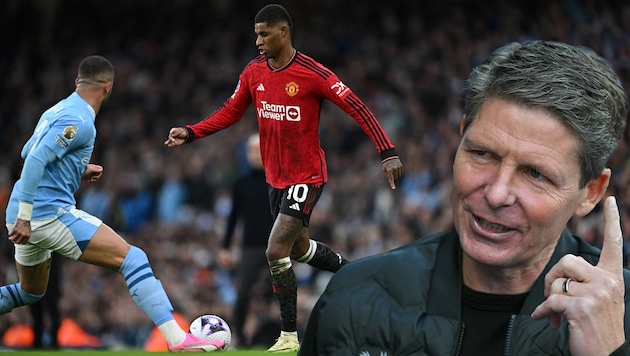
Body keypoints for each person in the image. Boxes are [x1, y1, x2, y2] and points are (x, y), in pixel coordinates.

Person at [300, 40, 630, 356]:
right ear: (460, 137)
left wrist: (612, 351)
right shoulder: (354, 298)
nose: (497, 193)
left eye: (535, 174)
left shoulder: (621, 321)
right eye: (482, 153)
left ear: (591, 192)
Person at [164, 4, 403, 352]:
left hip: (307, 176)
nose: (258, 40)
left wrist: (387, 151)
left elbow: (357, 106)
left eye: (264, 33)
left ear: (283, 32)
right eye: (256, 34)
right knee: (300, 249)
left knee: (275, 250)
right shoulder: (253, 73)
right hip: (276, 179)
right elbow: (231, 111)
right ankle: (359, 275)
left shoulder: (312, 73)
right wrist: (192, 131)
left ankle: (289, 337)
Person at [2, 55, 224, 352]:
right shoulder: (80, 120)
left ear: (76, 82)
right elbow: (35, 159)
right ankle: (177, 340)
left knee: (30, 292)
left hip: (19, 211)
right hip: (45, 214)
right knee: (134, 259)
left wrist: (78, 168)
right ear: (108, 87)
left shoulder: (55, 110)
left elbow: (27, 151)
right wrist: (26, 218)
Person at [217, 133, 276, 347]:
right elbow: (233, 217)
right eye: (251, 150)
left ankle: (289, 334)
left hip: (277, 246)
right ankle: (238, 336)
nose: (255, 154)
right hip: (250, 246)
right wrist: (225, 247)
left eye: (259, 149)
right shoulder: (241, 183)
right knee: (242, 293)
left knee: (286, 291)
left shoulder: (279, 180)